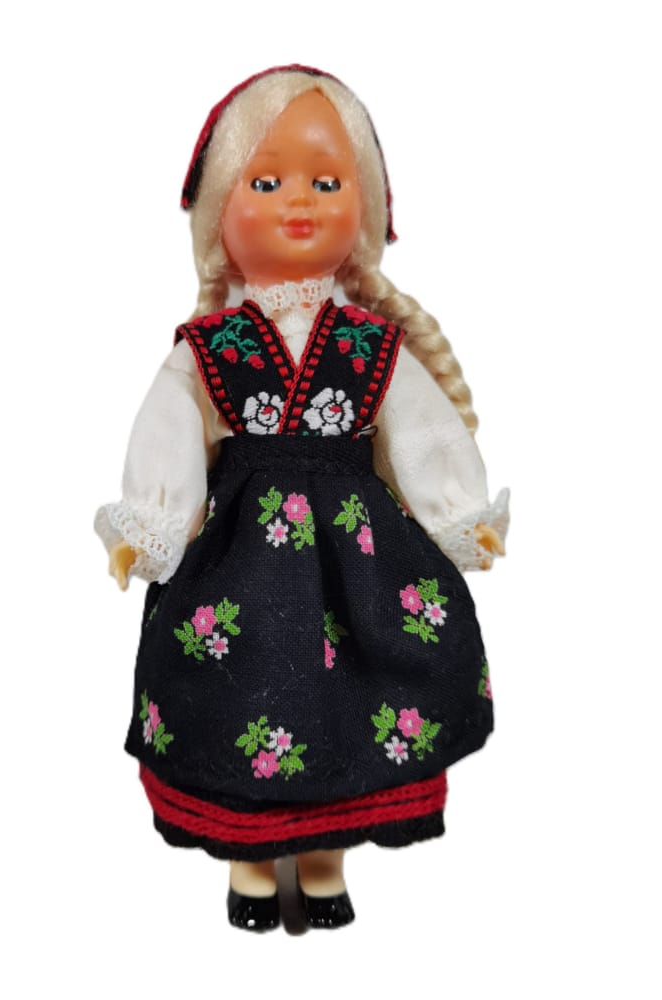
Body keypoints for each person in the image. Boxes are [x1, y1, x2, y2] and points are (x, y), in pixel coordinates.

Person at [95, 65, 509, 932]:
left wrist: (457, 513)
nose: (299, 202)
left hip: (360, 563)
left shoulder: (371, 344)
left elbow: (423, 431)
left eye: (327, 183)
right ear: (220, 210)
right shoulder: (208, 347)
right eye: (265, 183)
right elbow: (167, 430)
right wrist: (151, 522)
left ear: (366, 209)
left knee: (353, 703)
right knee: (241, 692)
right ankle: (251, 866)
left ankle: (323, 864)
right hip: (239, 569)